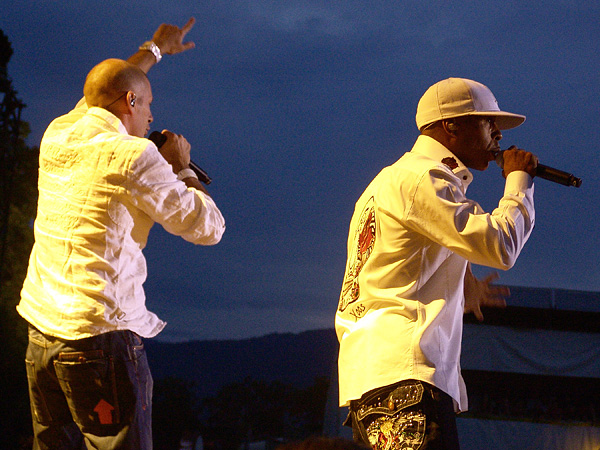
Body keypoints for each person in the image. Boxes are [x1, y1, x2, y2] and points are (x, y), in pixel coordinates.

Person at [17, 18, 225, 449]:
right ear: (131, 101)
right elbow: (209, 228)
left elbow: (105, 91)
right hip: (100, 340)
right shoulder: (136, 155)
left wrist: (155, 49)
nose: (151, 114)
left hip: (42, 333)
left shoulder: (60, 131)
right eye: (147, 103)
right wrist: (183, 168)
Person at [335, 77, 537, 450]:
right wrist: (519, 182)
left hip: (375, 376)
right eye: (487, 122)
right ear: (452, 125)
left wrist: (460, 285)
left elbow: (396, 269)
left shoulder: (390, 181)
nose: (497, 134)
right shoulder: (423, 178)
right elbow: (500, 245)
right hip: (406, 377)